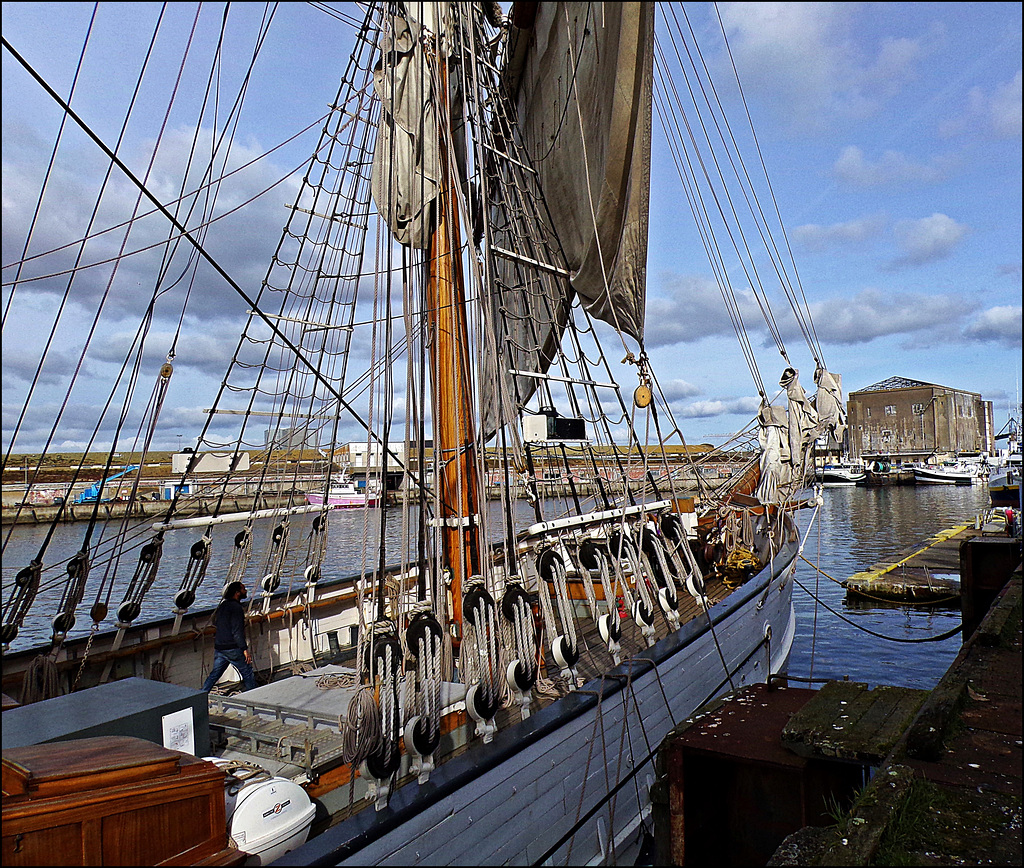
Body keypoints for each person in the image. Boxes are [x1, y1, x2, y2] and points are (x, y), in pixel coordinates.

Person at [202, 581, 258, 692]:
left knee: (214, 675)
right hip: (232, 648)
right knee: (247, 673)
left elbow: (219, 624)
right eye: (243, 589)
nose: (245, 591)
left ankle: (201, 696)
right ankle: (254, 698)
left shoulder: (223, 605)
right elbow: (237, 632)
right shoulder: (236, 608)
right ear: (237, 593)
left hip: (220, 647)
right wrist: (244, 649)